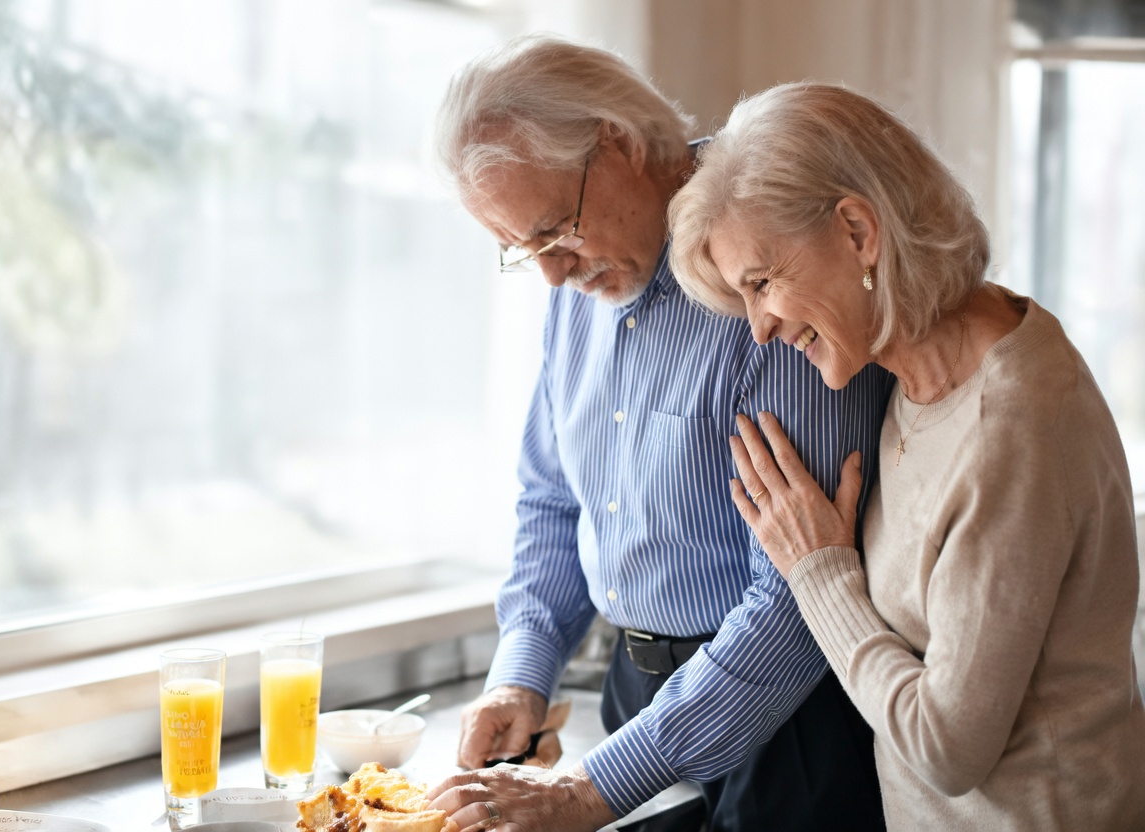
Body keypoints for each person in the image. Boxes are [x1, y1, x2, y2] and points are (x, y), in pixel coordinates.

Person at [425, 36, 894, 832]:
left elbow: (796, 599)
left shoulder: (768, 257)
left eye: (552, 232)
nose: (550, 274)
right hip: (635, 699)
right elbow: (553, 501)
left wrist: (586, 792)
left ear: (619, 143)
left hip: (789, 722)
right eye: (520, 251)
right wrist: (521, 677)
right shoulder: (583, 278)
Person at [666, 80, 1145, 831]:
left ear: (858, 232)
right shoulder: (921, 365)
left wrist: (817, 573)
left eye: (762, 284)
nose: (757, 329)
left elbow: (946, 747)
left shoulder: (1009, 426)